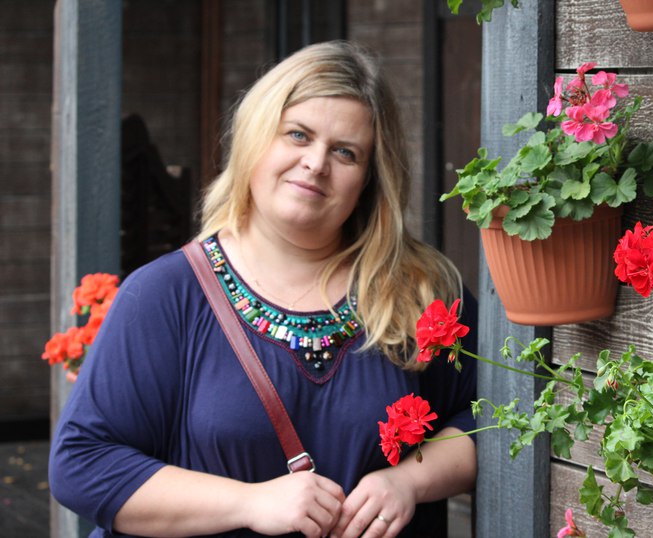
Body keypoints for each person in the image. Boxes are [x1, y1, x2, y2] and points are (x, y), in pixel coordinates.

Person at [49, 40, 478, 538]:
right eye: (297, 135)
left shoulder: (419, 290)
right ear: (255, 139)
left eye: (345, 152)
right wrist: (249, 502)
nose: (316, 163)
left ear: (369, 179)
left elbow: (494, 420)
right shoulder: (165, 295)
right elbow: (83, 463)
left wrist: (409, 481)